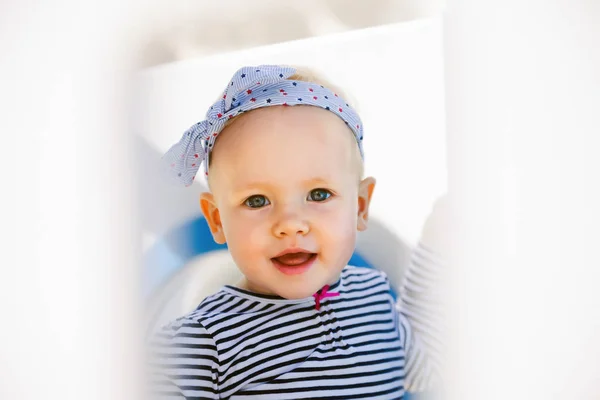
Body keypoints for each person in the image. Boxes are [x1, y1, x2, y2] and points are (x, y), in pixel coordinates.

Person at [149, 64, 444, 399]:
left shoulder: (374, 300)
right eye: (257, 200)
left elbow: (428, 366)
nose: (290, 223)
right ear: (217, 220)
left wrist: (440, 241)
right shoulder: (200, 346)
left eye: (318, 195)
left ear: (360, 206)